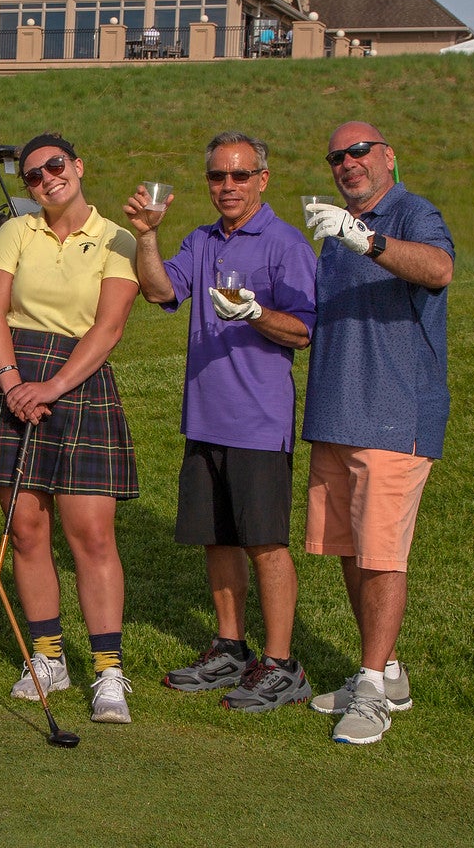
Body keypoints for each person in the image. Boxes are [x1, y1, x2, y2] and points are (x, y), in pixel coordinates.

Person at [127, 131, 318, 713]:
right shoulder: (202, 240)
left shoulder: (285, 244)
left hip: (258, 420)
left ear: (262, 179)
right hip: (204, 419)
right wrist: (147, 236)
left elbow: (305, 330)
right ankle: (230, 648)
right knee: (218, 539)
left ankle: (282, 666)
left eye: (239, 176)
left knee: (265, 542)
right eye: (217, 176)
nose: (227, 186)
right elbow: (161, 290)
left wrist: (257, 313)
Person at [0, 132, 140, 724]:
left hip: (78, 379)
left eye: (55, 166)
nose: (46, 180)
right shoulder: (16, 231)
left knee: (91, 533)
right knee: (25, 528)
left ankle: (108, 672)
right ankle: (47, 656)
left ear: (78, 164)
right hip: (9, 376)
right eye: (33, 176)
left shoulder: (119, 238)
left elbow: (109, 327)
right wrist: (14, 382)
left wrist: (53, 386)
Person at [301, 121, 454, 745]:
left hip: (394, 415)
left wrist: (367, 240)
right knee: (349, 549)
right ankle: (384, 670)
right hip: (335, 415)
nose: (347, 163)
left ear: (388, 155)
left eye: (359, 151)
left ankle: (370, 690)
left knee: (383, 553)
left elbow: (438, 269)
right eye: (336, 156)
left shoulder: (413, 212)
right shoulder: (334, 232)